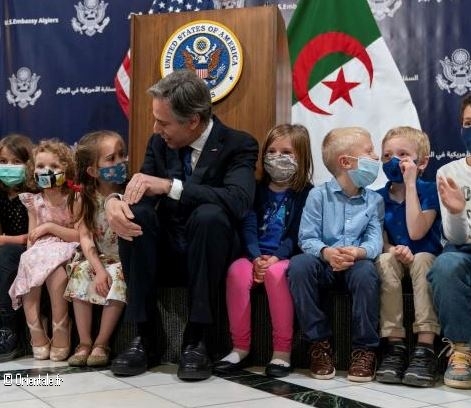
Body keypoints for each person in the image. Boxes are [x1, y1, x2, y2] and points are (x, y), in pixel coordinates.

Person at [105, 69, 259, 380]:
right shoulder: (158, 143)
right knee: (138, 215)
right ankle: (144, 337)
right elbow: (141, 192)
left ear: (193, 121)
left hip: (210, 251)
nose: (155, 128)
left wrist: (169, 186)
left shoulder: (238, 144)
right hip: (167, 249)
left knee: (209, 215)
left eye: (163, 122)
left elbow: (238, 200)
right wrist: (115, 204)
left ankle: (198, 339)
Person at [214, 124, 313, 378]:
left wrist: (276, 258)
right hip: (254, 254)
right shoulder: (255, 189)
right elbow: (248, 223)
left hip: (285, 257)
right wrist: (256, 256)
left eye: (286, 152)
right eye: (271, 151)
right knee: (236, 272)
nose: (277, 157)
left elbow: (298, 233)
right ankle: (240, 347)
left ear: (302, 157)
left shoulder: (307, 194)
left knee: (276, 275)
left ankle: (282, 351)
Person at [288, 127, 384, 383]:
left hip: (355, 265)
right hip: (324, 264)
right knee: (299, 265)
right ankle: (318, 343)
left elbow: (375, 241)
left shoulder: (374, 201)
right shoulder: (317, 195)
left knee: (366, 271)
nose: (376, 156)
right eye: (369, 151)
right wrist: (327, 252)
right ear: (346, 162)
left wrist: (359, 251)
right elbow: (306, 238)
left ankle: (365, 349)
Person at [375, 127, 441, 387]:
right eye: (387, 155)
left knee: (423, 257)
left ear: (421, 162)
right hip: (395, 257)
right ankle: (395, 346)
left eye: (403, 154)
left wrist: (411, 183)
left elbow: (416, 231)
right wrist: (391, 250)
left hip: (424, 257)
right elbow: (378, 240)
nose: (394, 160)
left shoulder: (429, 190)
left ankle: (425, 348)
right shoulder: (377, 197)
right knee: (383, 260)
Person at [9, 140, 79, 361]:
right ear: (33, 171)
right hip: (41, 249)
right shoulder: (33, 201)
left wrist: (49, 227)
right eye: (40, 166)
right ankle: (35, 329)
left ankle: (61, 325)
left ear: (66, 168)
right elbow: (33, 236)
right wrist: (29, 257)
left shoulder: (73, 198)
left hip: (67, 246)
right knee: (30, 264)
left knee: (57, 272)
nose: (46, 171)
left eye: (54, 166)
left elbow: (78, 234)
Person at [64, 131, 127, 367]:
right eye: (111, 159)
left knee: (118, 276)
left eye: (122, 155)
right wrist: (98, 269)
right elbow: (86, 239)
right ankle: (84, 342)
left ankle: (102, 343)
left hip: (122, 259)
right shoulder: (85, 198)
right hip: (98, 258)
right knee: (80, 271)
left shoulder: (128, 192)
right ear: (92, 170)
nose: (120, 162)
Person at [427, 93, 471, 390]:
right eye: (469, 123)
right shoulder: (448, 172)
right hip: (463, 249)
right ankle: (462, 352)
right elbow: (455, 236)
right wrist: (456, 212)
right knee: (445, 265)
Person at [0, 134, 34, 361]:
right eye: (3, 161)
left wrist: (7, 240)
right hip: (6, 248)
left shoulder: (35, 194)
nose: (8, 167)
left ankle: (8, 329)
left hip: (31, 249)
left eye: (15, 162)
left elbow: (33, 236)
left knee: (8, 254)